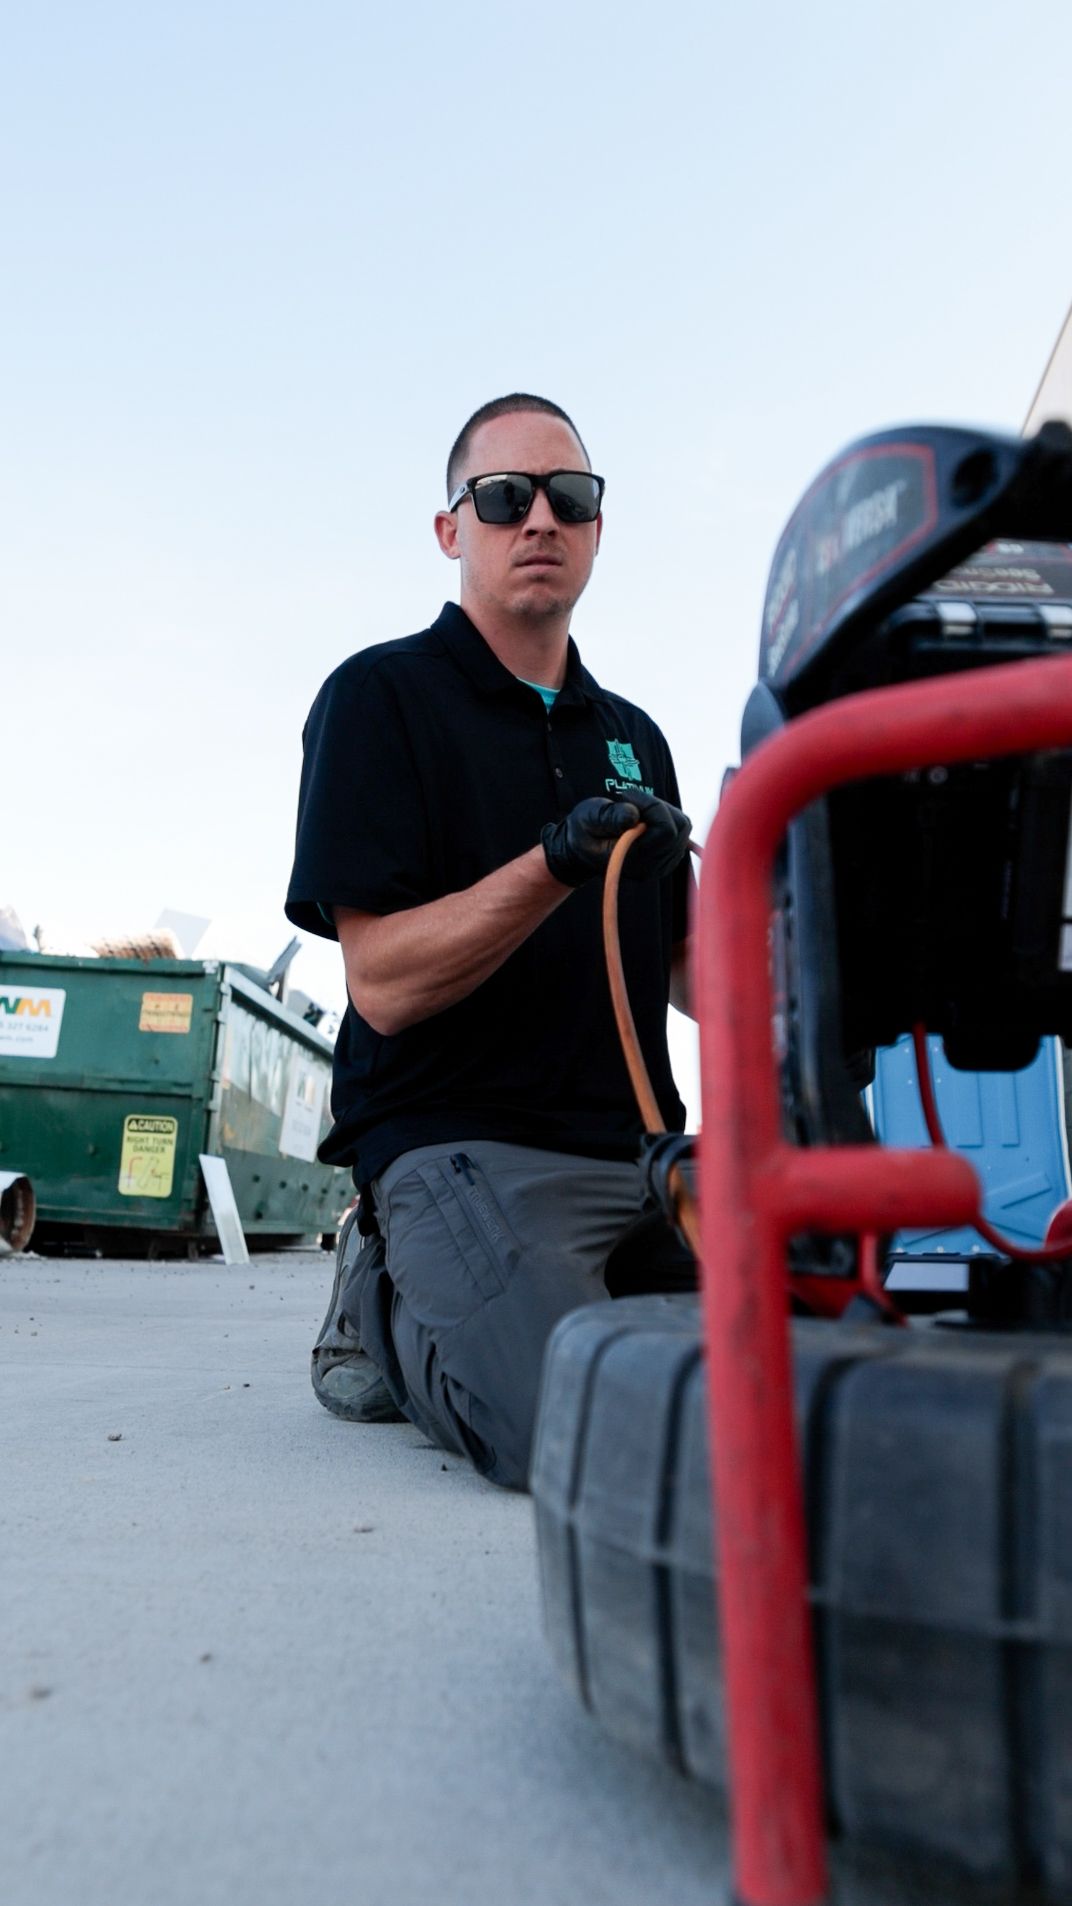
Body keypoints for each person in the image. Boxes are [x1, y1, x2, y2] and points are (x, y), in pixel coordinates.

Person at [285, 393, 695, 1490]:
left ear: (598, 527)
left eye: (572, 497)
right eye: (505, 496)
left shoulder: (634, 739)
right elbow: (381, 985)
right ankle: (379, 1293)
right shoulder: (380, 699)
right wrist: (554, 863)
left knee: (796, 1363)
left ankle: (541, 1293)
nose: (540, 520)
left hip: (641, 1156)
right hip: (461, 1144)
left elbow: (696, 969)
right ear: (451, 528)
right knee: (570, 1426)